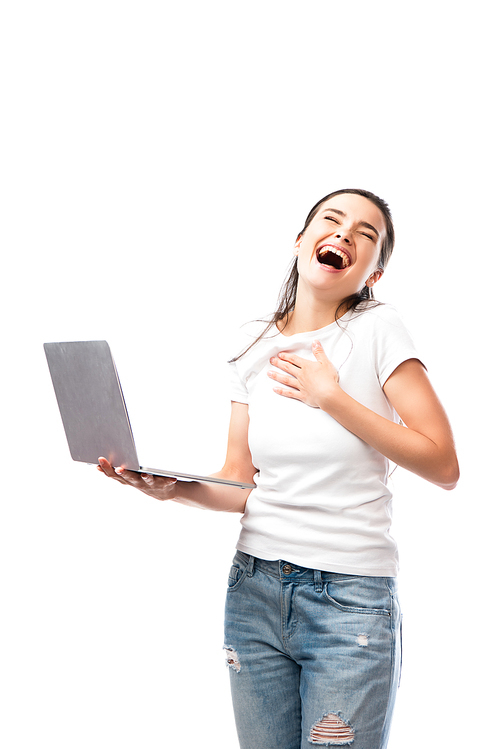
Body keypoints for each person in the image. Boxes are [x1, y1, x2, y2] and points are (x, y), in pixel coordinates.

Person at [98, 188, 459, 749]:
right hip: (254, 589)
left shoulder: (378, 329)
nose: (344, 234)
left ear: (374, 273)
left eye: (366, 234)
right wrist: (173, 489)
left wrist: (331, 398)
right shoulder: (253, 342)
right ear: (301, 240)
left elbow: (443, 464)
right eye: (332, 220)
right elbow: (240, 483)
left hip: (349, 601)